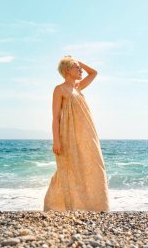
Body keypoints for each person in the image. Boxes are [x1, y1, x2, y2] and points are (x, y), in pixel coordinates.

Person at [43, 55, 110, 212]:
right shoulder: (59, 90)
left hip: (87, 134)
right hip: (69, 135)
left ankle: (93, 206)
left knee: (94, 165)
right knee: (67, 167)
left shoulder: (78, 87)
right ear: (67, 70)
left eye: (79, 68)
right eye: (76, 67)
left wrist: (78, 62)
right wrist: (56, 141)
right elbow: (56, 117)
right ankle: (55, 206)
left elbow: (94, 73)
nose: (80, 70)